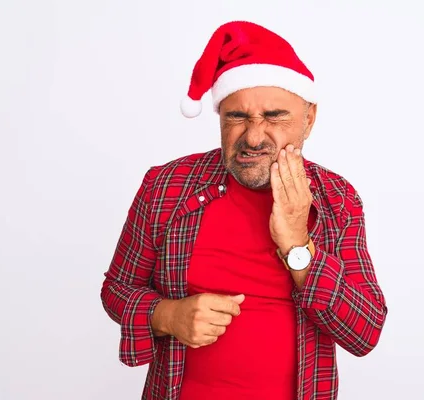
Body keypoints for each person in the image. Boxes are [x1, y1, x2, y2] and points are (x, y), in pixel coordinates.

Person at [100, 20, 387, 400]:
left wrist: (297, 246)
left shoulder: (337, 199)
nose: (253, 136)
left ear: (309, 118)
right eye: (236, 117)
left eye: (274, 116)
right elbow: (116, 290)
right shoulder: (165, 187)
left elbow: (364, 331)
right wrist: (167, 316)